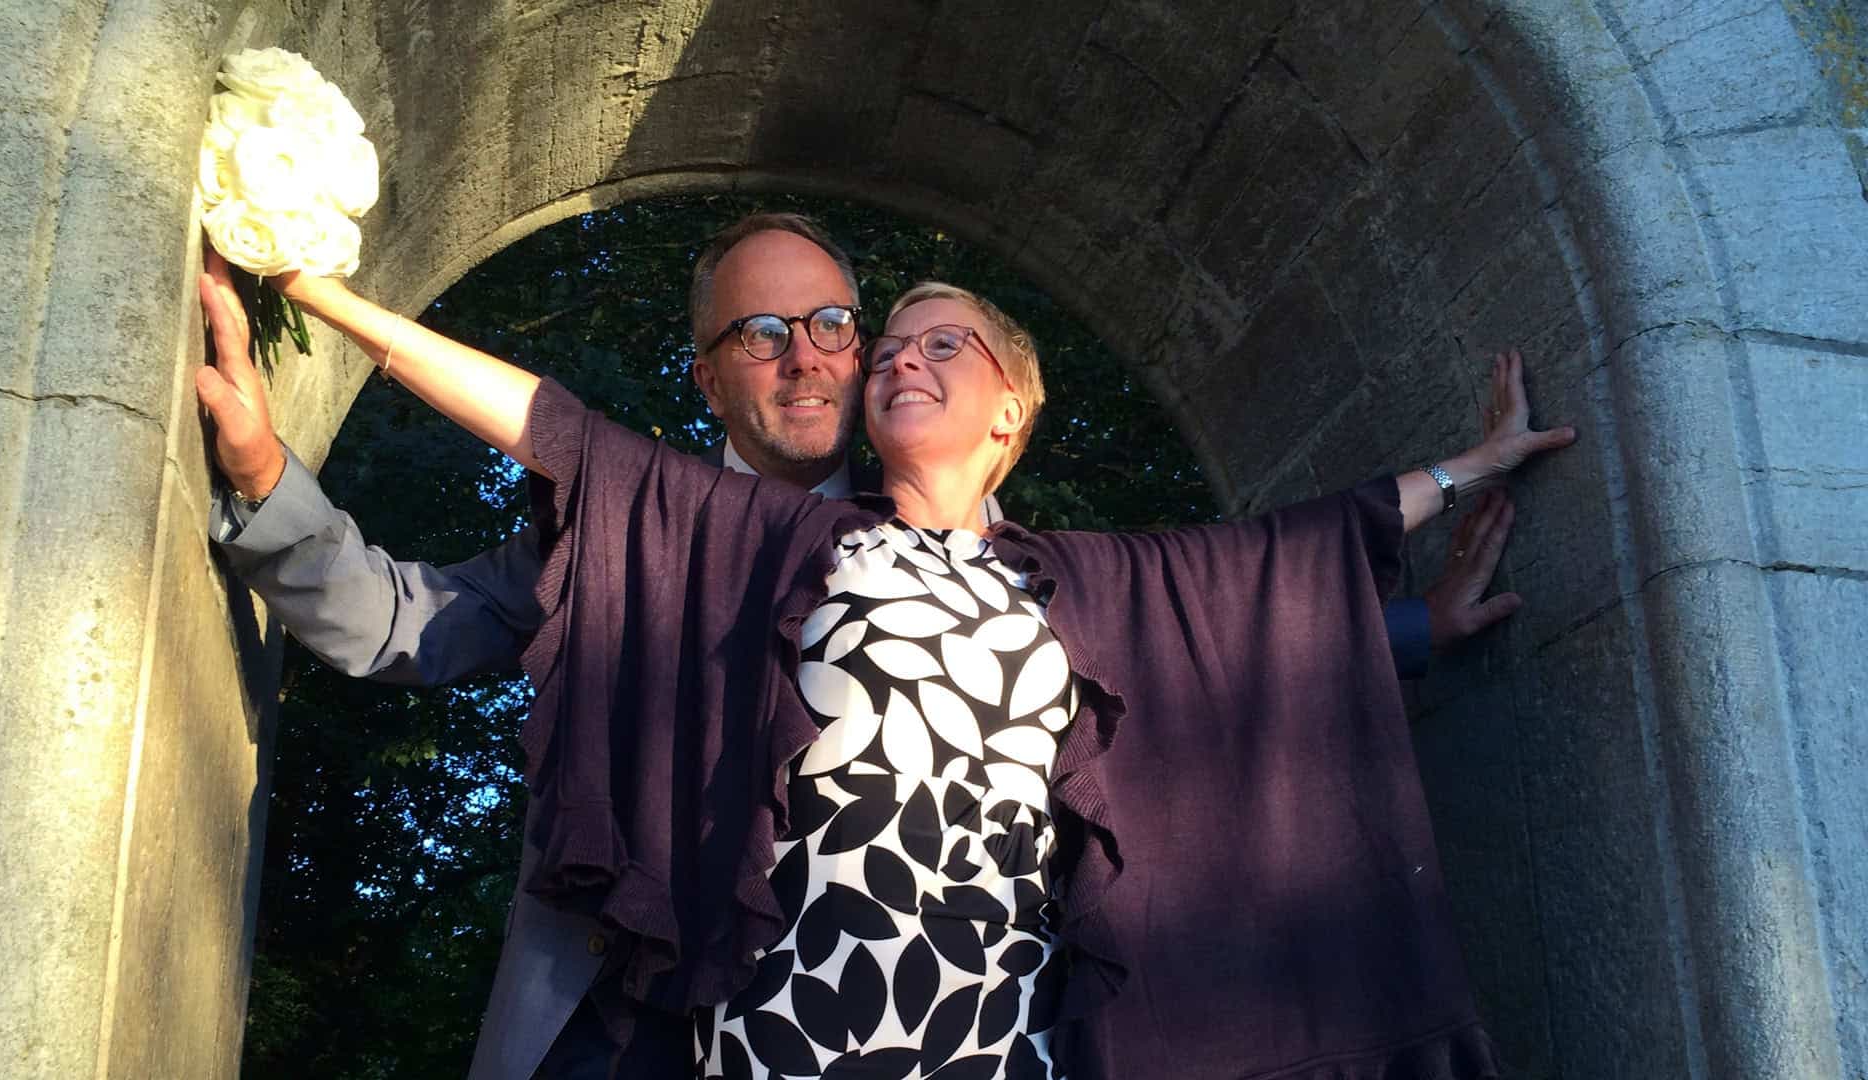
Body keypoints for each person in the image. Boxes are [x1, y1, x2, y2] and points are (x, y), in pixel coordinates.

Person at [212, 215, 1574, 1075]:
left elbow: (1213, 629)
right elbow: (416, 595)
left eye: (835, 327)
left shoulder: (1028, 569)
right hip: (663, 1025)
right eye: (762, 332)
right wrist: (275, 452)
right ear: (709, 374)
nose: (813, 356)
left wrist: (1420, 618)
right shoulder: (631, 534)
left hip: (983, 1036)